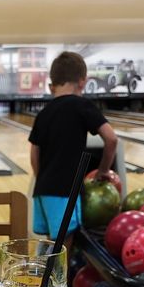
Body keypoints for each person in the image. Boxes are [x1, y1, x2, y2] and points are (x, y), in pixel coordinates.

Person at [29, 50, 118, 257]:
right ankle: (61, 279)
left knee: (51, 245)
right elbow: (111, 139)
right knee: (63, 248)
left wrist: (42, 178)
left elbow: (34, 153)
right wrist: (103, 170)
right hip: (64, 191)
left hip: (42, 190)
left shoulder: (43, 113)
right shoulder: (82, 105)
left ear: (52, 84)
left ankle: (47, 276)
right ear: (83, 81)